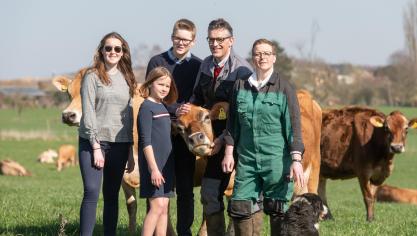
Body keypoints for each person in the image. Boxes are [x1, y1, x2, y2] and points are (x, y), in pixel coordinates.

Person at [222, 38, 305, 235]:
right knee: (240, 206)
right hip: (247, 159)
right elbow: (232, 123)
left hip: (276, 159)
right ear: (253, 57)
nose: (262, 57)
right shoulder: (240, 85)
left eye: (267, 53)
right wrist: (228, 152)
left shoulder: (284, 88)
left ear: (274, 58)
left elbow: (294, 126)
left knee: (277, 209)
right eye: (258, 53)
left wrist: (296, 160)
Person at [178, 18, 253, 236]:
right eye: (211, 40)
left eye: (220, 39)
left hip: (239, 142)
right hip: (212, 141)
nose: (215, 44)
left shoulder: (242, 71)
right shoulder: (205, 65)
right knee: (210, 193)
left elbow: (243, 115)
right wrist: (187, 109)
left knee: (241, 198)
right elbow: (197, 96)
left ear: (231, 41)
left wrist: (225, 140)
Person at [145, 18, 201, 236]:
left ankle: (184, 231)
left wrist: (188, 110)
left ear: (193, 42)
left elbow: (199, 98)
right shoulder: (156, 62)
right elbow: (150, 97)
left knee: (186, 189)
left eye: (186, 40)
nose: (181, 43)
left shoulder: (198, 65)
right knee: (159, 189)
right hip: (160, 134)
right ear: (172, 37)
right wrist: (176, 109)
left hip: (185, 137)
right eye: (178, 38)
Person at [78, 32, 137, 235]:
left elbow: (128, 116)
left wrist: (129, 151)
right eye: (108, 48)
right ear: (102, 51)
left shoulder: (127, 78)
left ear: (123, 53)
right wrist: (95, 147)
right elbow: (88, 112)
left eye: (117, 48)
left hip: (119, 144)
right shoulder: (92, 76)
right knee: (92, 192)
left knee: (111, 195)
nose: (113, 52)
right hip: (93, 143)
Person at [138, 66, 178, 236]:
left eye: (167, 86)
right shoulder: (146, 107)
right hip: (154, 165)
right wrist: (154, 169)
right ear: (150, 83)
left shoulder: (163, 107)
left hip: (166, 165)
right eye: (160, 84)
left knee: (164, 209)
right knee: (156, 207)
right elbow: (145, 141)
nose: (164, 89)